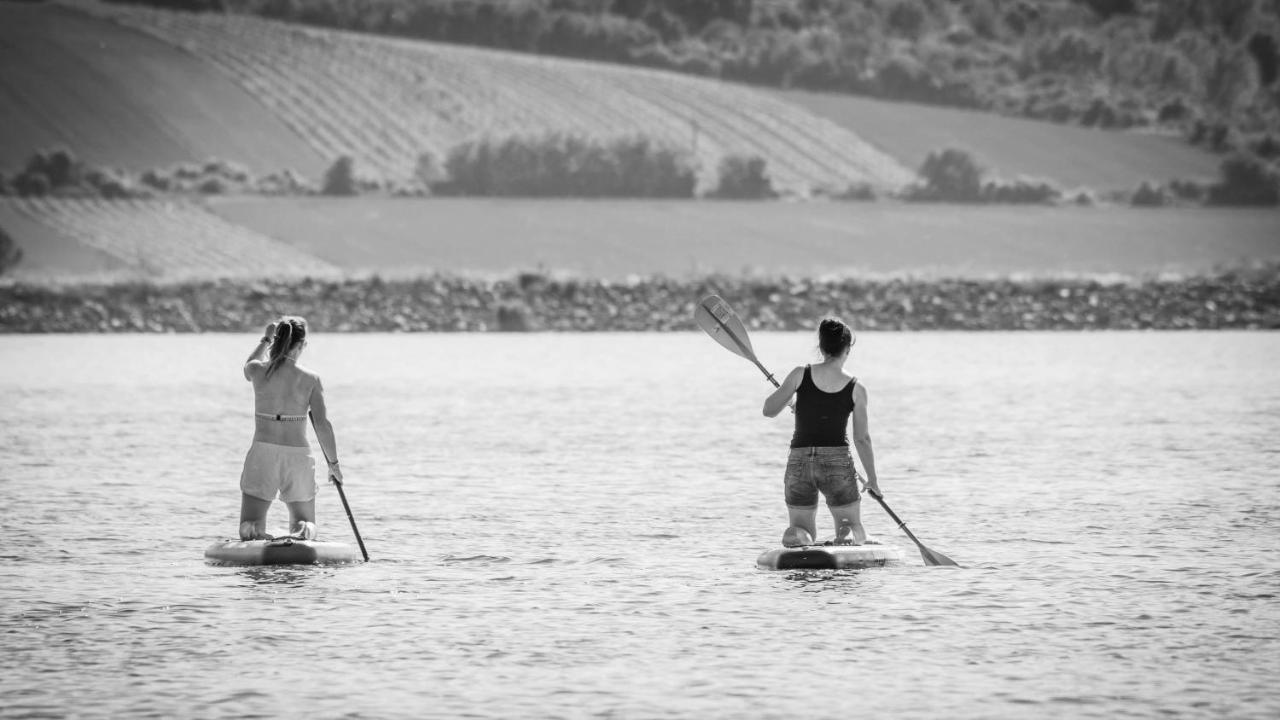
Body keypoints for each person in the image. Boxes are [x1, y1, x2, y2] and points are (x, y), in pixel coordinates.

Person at [763, 317, 881, 547]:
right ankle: (847, 533)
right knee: (849, 524)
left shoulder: (799, 374)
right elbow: (861, 438)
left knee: (801, 528)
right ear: (847, 349)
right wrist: (873, 479)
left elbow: (769, 410)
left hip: (799, 462)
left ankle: (796, 536)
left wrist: (794, 399)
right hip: (837, 460)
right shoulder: (857, 388)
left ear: (821, 347)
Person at [238, 316, 342, 541]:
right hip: (297, 455)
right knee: (303, 522)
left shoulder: (257, 370)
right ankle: (304, 530)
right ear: (302, 345)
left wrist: (265, 338)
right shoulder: (311, 379)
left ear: (275, 341)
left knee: (250, 524)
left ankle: (253, 531)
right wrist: (333, 465)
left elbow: (247, 367)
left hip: (263, 453)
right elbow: (323, 425)